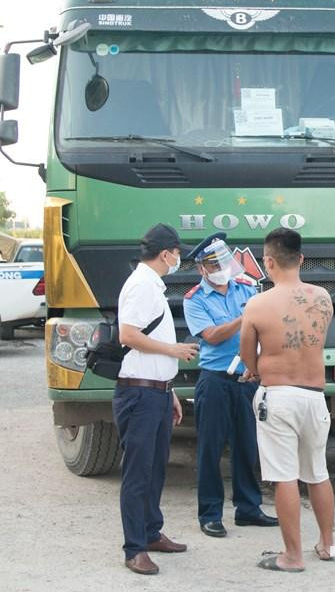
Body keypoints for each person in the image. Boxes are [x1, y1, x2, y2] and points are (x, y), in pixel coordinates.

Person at [240, 228, 335, 573]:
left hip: (278, 397)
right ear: (301, 259)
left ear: (267, 261)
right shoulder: (323, 297)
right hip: (315, 396)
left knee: (285, 477)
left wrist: (254, 371)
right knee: (318, 472)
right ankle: (327, 544)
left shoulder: (257, 304)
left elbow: (247, 356)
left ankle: (292, 556)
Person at [113, 223, 199, 575]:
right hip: (139, 393)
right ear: (166, 254)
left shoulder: (152, 285)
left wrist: (171, 390)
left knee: (154, 469)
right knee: (137, 473)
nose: (179, 258)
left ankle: (150, 532)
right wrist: (174, 350)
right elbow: (128, 335)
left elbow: (149, 344)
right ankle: (134, 548)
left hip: (157, 391)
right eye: (178, 252)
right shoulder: (140, 285)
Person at [183, 232, 278, 538]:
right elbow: (210, 336)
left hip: (247, 378)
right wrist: (243, 318)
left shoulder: (247, 288)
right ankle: (210, 513)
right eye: (215, 265)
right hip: (215, 381)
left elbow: (264, 326)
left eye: (225, 262)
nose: (222, 269)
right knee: (211, 448)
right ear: (202, 269)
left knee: (247, 445)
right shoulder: (195, 299)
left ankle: (248, 508)